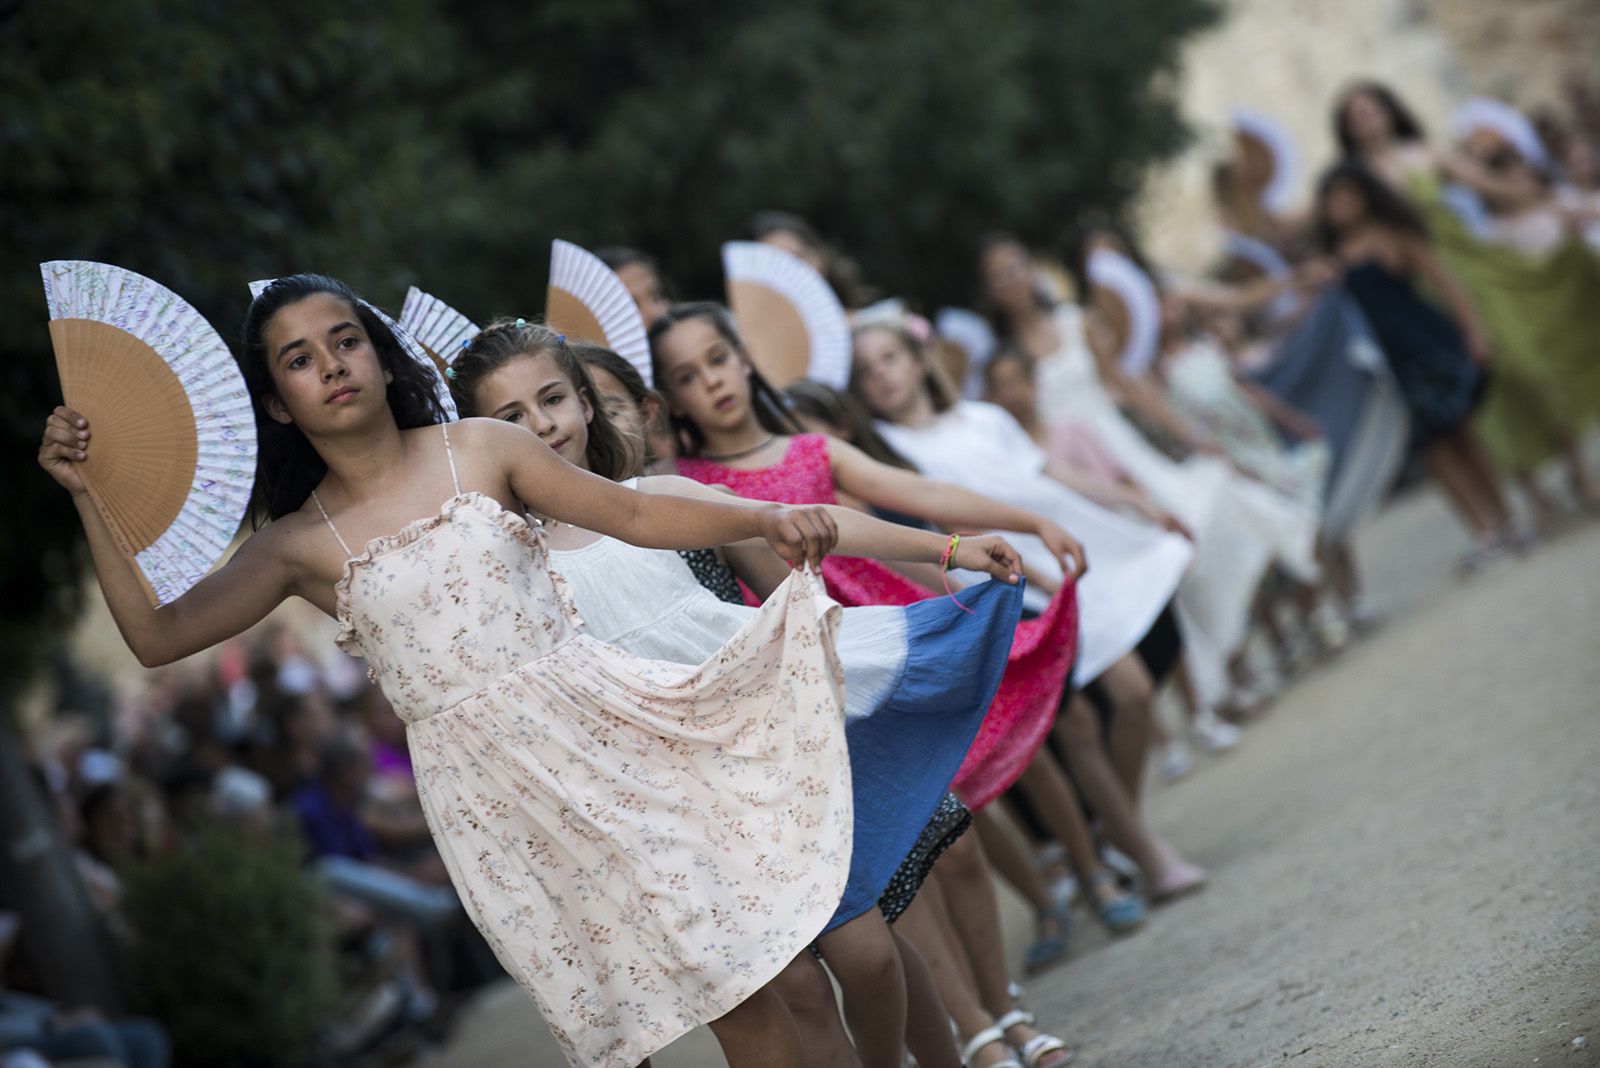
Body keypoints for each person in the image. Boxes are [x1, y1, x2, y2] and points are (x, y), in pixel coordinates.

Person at [37, 272, 875, 1068]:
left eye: (345, 341)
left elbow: (631, 508)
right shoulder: (292, 547)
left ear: (379, 352)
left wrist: (764, 515)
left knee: (739, 984)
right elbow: (155, 636)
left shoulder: (482, 448)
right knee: (613, 1036)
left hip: (607, 736)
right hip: (488, 800)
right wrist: (84, 494)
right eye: (299, 359)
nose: (331, 366)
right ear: (275, 404)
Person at [446, 317, 1028, 1068]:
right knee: (804, 996)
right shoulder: (504, 563)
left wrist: (949, 547)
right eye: (510, 418)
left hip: (767, 754)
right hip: (672, 806)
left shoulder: (652, 498)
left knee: (871, 960)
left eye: (552, 399)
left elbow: (802, 527)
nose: (540, 426)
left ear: (587, 403)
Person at [1312, 162, 1521, 568]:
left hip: (1428, 347)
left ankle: (1508, 519)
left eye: (1347, 195)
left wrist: (1475, 332)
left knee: (1464, 435)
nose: (1340, 206)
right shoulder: (1331, 262)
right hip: (1390, 366)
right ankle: (1483, 531)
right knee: (1433, 451)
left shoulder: (1394, 237)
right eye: (1332, 199)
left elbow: (1444, 282)